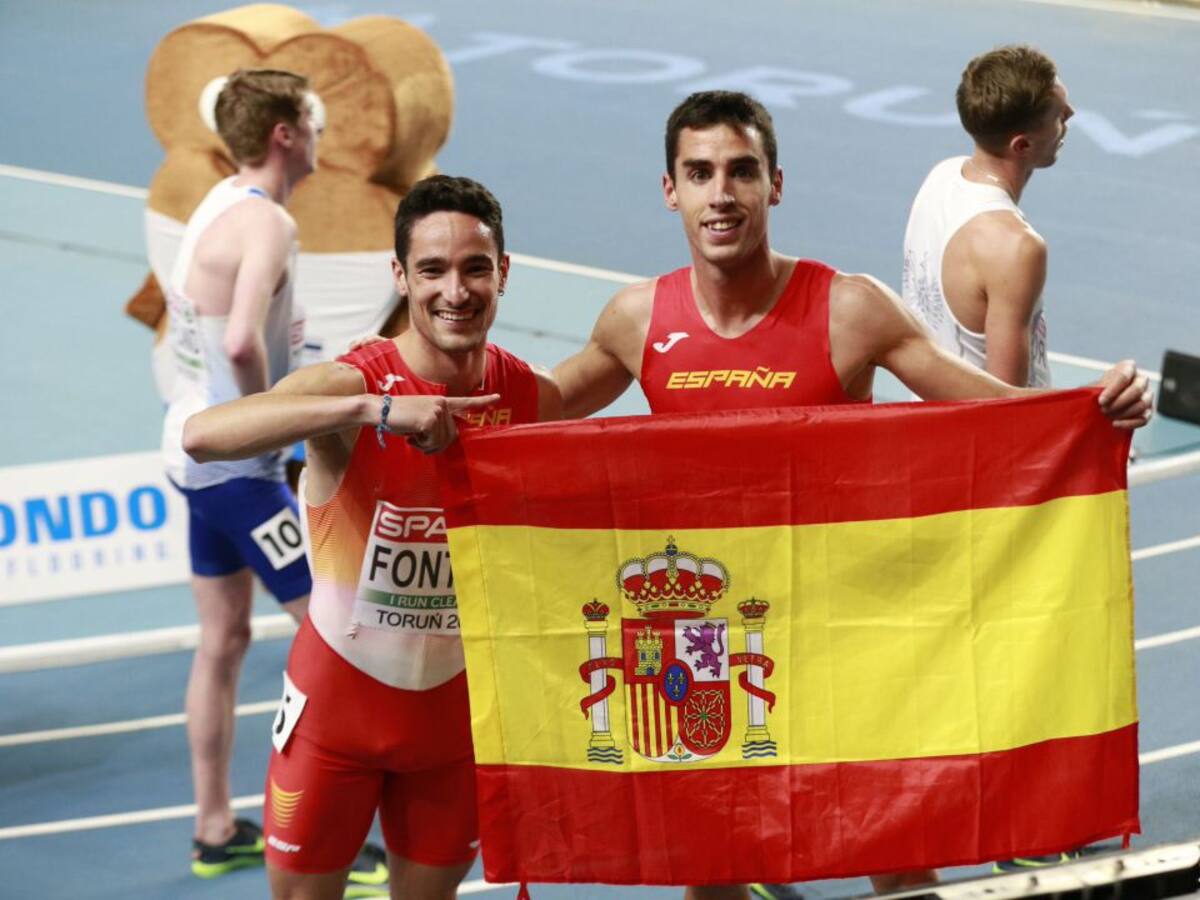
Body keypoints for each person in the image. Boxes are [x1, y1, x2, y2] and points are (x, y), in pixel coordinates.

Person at [551, 90, 1151, 900]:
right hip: (707, 634)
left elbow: (985, 407)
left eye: (741, 172)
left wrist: (1092, 410)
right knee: (712, 857)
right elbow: (535, 408)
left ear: (776, 184)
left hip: (838, 621)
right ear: (672, 190)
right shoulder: (634, 319)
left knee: (892, 846)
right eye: (699, 174)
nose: (720, 194)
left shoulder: (850, 309)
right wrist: (417, 397)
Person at [182, 175, 562, 900]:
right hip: (336, 719)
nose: (456, 290)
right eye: (432, 270)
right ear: (400, 276)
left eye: (476, 268)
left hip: (454, 723)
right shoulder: (353, 384)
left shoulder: (526, 396)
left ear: (503, 273)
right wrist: (370, 410)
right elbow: (204, 437)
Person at [158, 68, 325, 878]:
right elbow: (237, 344)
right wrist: (278, 429)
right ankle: (317, 835)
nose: (321, 132)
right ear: (286, 133)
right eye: (311, 118)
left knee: (222, 640)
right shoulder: (267, 226)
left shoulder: (216, 205)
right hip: (239, 469)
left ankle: (215, 828)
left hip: (191, 448)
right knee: (331, 632)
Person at [902, 44, 1073, 389]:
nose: (1071, 114)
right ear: (1021, 146)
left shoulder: (942, 175)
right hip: (982, 436)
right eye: (1059, 115)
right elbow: (1004, 407)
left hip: (932, 413)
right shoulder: (1017, 247)